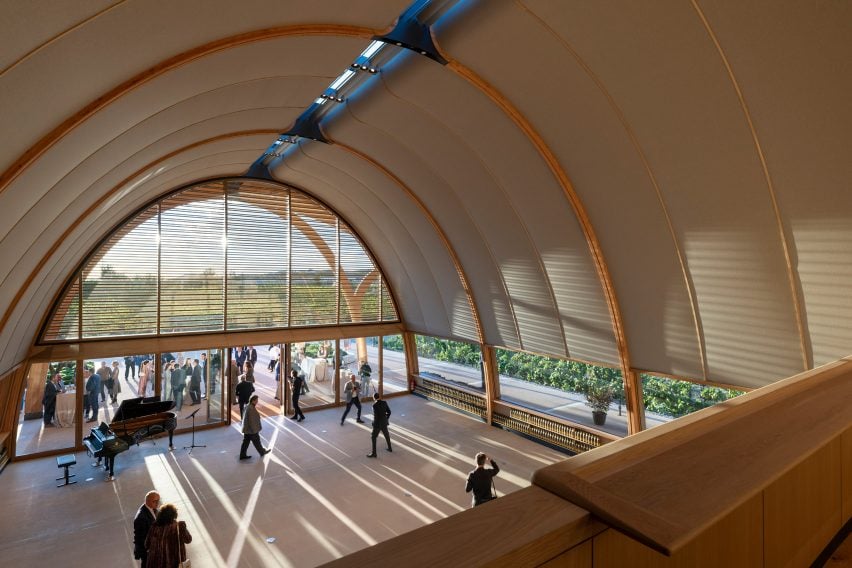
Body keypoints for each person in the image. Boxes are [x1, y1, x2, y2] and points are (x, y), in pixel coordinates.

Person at [144, 503, 192, 568]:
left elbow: (147, 544)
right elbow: (188, 540)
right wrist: (183, 528)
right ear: (174, 515)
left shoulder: (154, 526)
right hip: (173, 562)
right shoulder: (179, 526)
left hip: (156, 563)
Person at [133, 490, 159, 568]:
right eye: (155, 501)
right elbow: (140, 539)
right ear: (148, 501)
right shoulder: (141, 518)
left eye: (158, 500)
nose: (157, 503)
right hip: (147, 551)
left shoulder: (153, 508)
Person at [239, 395, 269, 460]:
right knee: (257, 441)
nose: (257, 402)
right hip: (251, 429)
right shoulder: (251, 408)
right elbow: (252, 420)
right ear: (253, 400)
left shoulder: (247, 406)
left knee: (246, 442)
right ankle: (262, 452)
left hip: (246, 428)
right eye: (256, 400)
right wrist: (254, 430)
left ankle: (242, 454)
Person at [367, 393, 392, 457]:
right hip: (384, 422)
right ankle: (390, 448)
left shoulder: (374, 405)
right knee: (386, 435)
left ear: (374, 398)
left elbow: (376, 417)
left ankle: (374, 453)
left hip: (377, 424)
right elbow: (389, 412)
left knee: (373, 437)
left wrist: (373, 423)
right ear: (379, 396)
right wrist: (386, 418)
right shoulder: (384, 402)